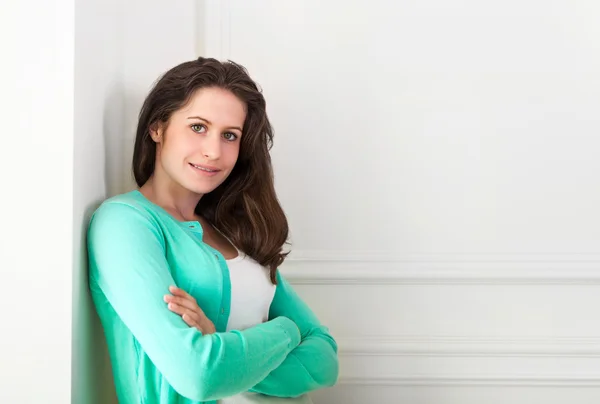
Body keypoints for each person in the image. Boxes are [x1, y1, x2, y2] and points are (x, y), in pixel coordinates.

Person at [87, 57, 339, 404]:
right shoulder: (125, 223)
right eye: (198, 127)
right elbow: (199, 374)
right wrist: (287, 331)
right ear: (157, 127)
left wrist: (219, 341)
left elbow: (324, 361)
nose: (213, 151)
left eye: (230, 135)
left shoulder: (238, 231)